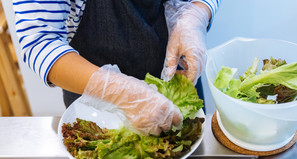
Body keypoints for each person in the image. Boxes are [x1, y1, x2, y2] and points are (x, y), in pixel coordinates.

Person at [13, 0, 220, 135]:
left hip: (174, 77)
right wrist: (118, 91)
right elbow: (39, 40)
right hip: (98, 109)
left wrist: (194, 15)